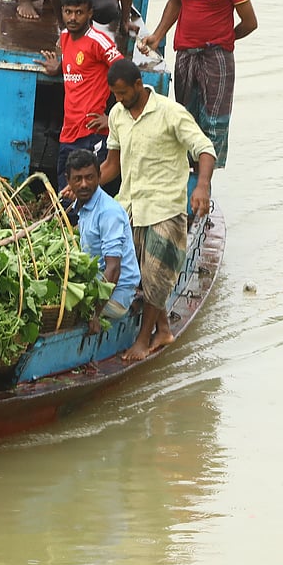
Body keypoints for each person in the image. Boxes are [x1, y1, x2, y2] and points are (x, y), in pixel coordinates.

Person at [99, 59, 216, 363]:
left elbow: (205, 149)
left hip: (165, 207)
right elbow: (112, 165)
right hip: (131, 206)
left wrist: (202, 186)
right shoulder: (117, 115)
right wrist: (84, 185)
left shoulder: (170, 113)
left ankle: (143, 339)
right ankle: (163, 328)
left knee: (156, 275)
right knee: (142, 274)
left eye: (123, 93)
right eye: (115, 94)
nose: (119, 100)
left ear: (139, 85)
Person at [138, 0, 258, 168]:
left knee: (214, 120)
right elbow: (175, 3)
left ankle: (205, 182)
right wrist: (157, 36)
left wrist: (224, 39)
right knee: (185, 114)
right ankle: (185, 171)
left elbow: (249, 22)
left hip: (217, 57)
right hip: (185, 54)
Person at [34, 0, 123, 191]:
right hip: (69, 132)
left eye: (79, 12)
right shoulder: (65, 37)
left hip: (92, 132)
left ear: (89, 13)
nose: (73, 18)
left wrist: (111, 117)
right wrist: (58, 67)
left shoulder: (98, 41)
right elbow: (75, 63)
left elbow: (126, 74)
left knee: (89, 194)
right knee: (66, 195)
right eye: (68, 12)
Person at [63, 149, 140, 331]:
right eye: (78, 179)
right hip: (98, 285)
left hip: (116, 295)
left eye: (90, 178)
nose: (84, 184)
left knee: (64, 302)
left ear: (99, 176)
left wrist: (95, 313)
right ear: (68, 180)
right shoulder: (84, 206)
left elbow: (113, 268)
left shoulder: (108, 212)